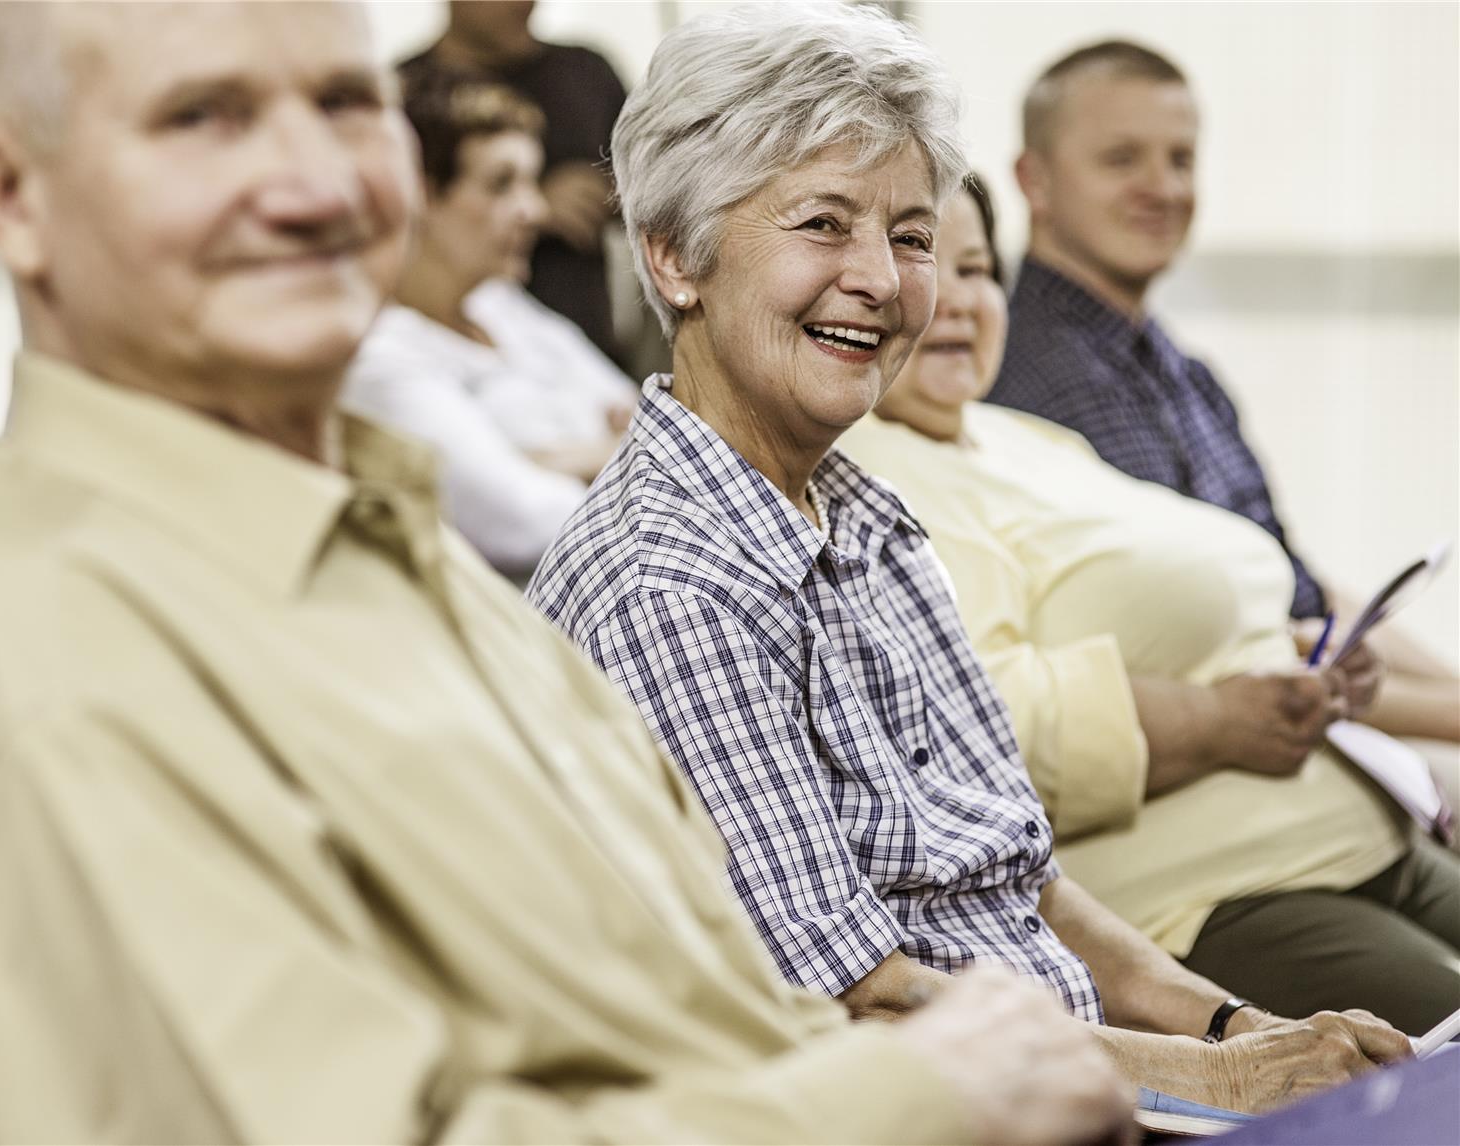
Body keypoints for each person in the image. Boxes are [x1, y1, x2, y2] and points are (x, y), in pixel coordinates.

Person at [0, 3, 1138, 1144]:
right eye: (200, 117)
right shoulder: (30, 673)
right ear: (10, 195)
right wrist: (932, 1088)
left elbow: (701, 1010)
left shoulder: (405, 560)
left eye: (348, 106)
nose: (312, 183)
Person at [529, 0, 1412, 1117]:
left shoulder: (870, 520)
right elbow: (860, 1006)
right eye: (821, 225)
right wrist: (1229, 1082)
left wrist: (1243, 1029)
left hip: (1088, 1087)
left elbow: (1023, 880)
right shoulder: (665, 585)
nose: (884, 281)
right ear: (673, 259)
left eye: (908, 236)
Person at [841, 173, 1460, 1034]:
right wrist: (1211, 720)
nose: (956, 300)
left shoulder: (1024, 438)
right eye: (923, 263)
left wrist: (1308, 662)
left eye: (979, 269)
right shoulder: (870, 476)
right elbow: (971, 727)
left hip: (1365, 834)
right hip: (1217, 897)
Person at [988, 39, 1460, 767]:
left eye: (1181, 159)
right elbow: (1237, 652)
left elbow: (1304, 593)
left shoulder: (1181, 370)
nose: (1163, 187)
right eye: (1122, 160)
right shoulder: (1035, 380)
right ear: (1036, 181)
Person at [344, 76, 635, 579]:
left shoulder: (501, 307)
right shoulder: (378, 358)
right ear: (420, 195)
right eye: (502, 184)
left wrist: (552, 459)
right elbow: (524, 521)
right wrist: (618, 451)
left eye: (532, 182)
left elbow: (651, 415)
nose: (535, 210)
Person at [401, 0, 629, 362]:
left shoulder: (585, 74)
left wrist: (613, 193)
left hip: (584, 342)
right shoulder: (402, 92)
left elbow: (656, 193)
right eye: (501, 183)